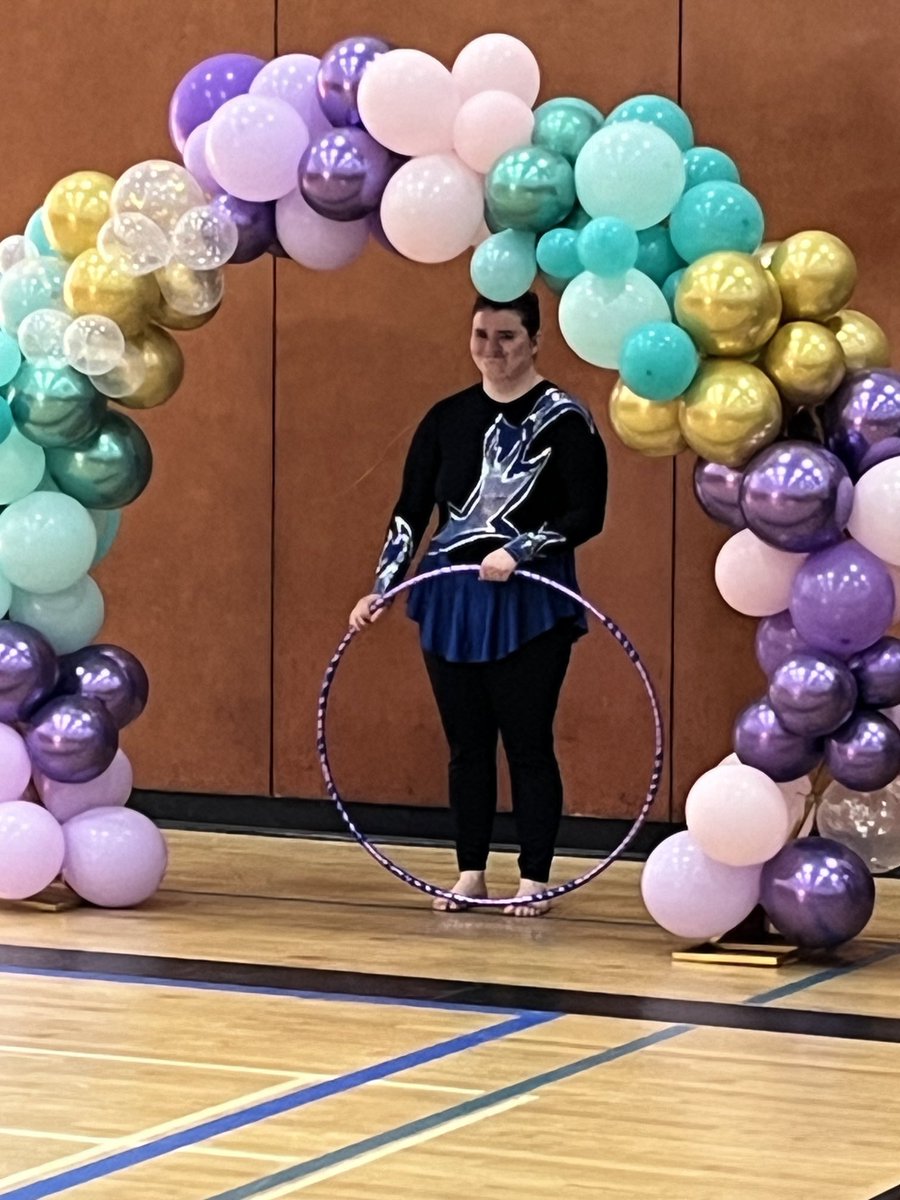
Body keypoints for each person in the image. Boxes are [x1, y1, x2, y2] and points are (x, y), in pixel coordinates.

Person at [349, 291, 608, 916]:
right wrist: (384, 584)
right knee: (466, 746)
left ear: (536, 340)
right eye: (481, 336)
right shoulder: (445, 419)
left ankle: (534, 876)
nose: (492, 350)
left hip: (527, 603)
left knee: (526, 740)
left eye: (507, 337)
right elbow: (412, 509)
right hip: (450, 598)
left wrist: (522, 550)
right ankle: (470, 871)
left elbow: (587, 513)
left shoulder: (565, 418)